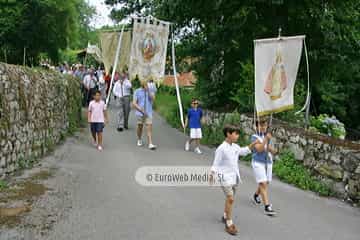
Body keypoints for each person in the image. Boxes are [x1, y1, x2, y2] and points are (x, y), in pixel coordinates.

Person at [210, 125, 258, 235]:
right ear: (228, 134)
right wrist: (212, 174)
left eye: (237, 133)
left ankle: (225, 215)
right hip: (224, 177)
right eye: (235, 133)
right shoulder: (221, 148)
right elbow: (216, 163)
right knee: (231, 198)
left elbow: (243, 151)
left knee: (229, 199)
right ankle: (229, 223)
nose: (237, 136)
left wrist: (253, 145)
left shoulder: (235, 147)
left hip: (234, 177)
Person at [251, 118, 278, 216]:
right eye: (261, 125)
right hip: (258, 162)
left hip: (268, 162)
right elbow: (259, 149)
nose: (263, 127)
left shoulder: (264, 136)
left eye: (264, 125)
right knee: (263, 183)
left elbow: (267, 148)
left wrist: (274, 151)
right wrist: (266, 139)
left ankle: (256, 195)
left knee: (265, 182)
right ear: (256, 126)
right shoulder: (254, 137)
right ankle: (267, 206)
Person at [132, 81, 157, 150]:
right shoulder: (137, 91)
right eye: (143, 82)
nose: (144, 84)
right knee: (140, 127)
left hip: (149, 112)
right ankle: (139, 139)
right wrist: (141, 110)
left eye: (146, 82)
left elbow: (153, 99)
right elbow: (134, 103)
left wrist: (148, 90)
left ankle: (150, 143)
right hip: (140, 113)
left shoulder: (151, 90)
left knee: (149, 128)